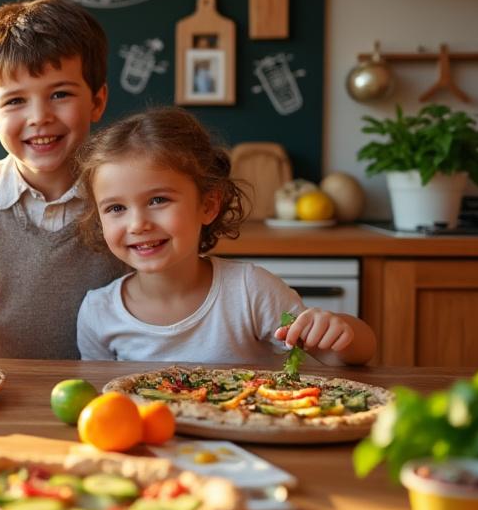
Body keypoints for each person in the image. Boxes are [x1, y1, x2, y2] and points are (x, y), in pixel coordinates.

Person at [75, 107, 377, 365]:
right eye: (116, 208)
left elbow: (354, 354)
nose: (137, 224)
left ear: (208, 205)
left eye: (157, 200)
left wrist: (340, 330)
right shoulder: (98, 313)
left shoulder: (250, 291)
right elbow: (103, 403)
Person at [0, 0, 127, 359]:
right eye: (15, 101)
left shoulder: (124, 191)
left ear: (97, 101)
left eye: (60, 94)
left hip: (104, 384)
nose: (40, 117)